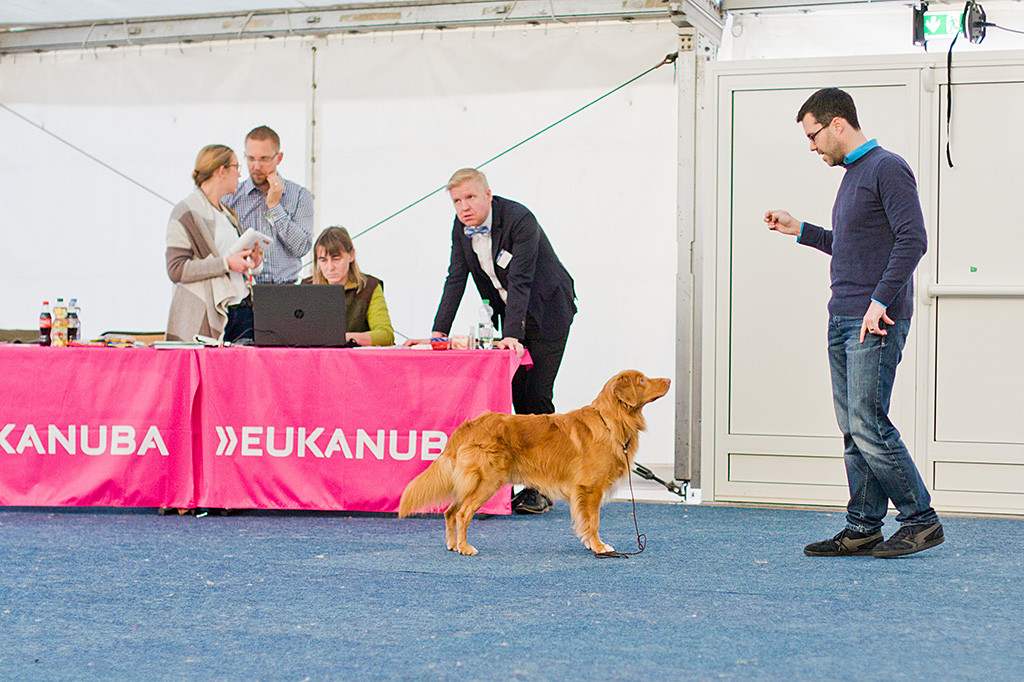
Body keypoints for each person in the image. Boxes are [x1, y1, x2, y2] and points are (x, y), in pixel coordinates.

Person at [764, 87, 944, 558]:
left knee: (870, 425)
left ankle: (921, 521)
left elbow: (913, 239)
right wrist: (799, 229)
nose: (812, 147)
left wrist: (880, 302)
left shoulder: (887, 167)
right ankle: (863, 525)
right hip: (844, 316)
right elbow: (851, 245)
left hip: (874, 321)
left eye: (814, 135)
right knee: (853, 429)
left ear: (837, 123)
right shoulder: (853, 176)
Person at [406, 168, 577, 514]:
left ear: (488, 195)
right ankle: (526, 481)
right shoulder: (461, 228)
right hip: (511, 314)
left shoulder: (519, 219)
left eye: (470, 197)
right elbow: (455, 279)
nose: (464, 207)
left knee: (537, 395)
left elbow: (522, 280)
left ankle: (542, 487)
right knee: (516, 397)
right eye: (457, 201)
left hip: (547, 311)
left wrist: (512, 334)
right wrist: (438, 334)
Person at [165, 144, 263, 343]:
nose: (239, 175)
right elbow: (176, 269)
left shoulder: (227, 214)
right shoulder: (186, 212)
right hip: (207, 314)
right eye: (237, 167)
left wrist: (252, 263)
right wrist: (226, 264)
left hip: (241, 310)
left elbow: (232, 262)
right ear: (222, 170)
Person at [222, 125, 314, 284]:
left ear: (279, 158)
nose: (256, 166)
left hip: (285, 291)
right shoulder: (231, 197)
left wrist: (274, 206)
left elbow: (301, 248)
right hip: (243, 292)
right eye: (251, 158)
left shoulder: (299, 195)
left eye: (264, 159)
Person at [301, 226, 395, 347]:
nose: (330, 267)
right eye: (323, 260)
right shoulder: (306, 288)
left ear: (351, 255)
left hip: (356, 362)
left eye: (336, 259)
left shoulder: (369, 287)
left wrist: (343, 338)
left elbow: (386, 336)